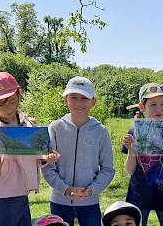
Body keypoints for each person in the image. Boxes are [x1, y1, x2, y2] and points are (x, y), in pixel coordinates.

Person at [0, 72, 60, 226]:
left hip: (22, 195)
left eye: (12, 101)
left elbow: (37, 157)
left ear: (19, 95)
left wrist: (46, 158)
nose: (7, 108)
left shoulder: (28, 124)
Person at [43, 77, 115, 226]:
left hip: (89, 201)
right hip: (59, 201)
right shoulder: (55, 127)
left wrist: (91, 190)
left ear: (93, 102)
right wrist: (66, 189)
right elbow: (47, 166)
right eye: (73, 97)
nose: (78, 103)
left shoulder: (100, 131)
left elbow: (107, 169)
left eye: (84, 98)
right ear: (65, 99)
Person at [121, 83, 163, 226]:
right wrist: (132, 149)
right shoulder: (134, 131)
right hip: (140, 193)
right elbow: (129, 170)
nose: (159, 109)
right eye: (153, 104)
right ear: (142, 107)